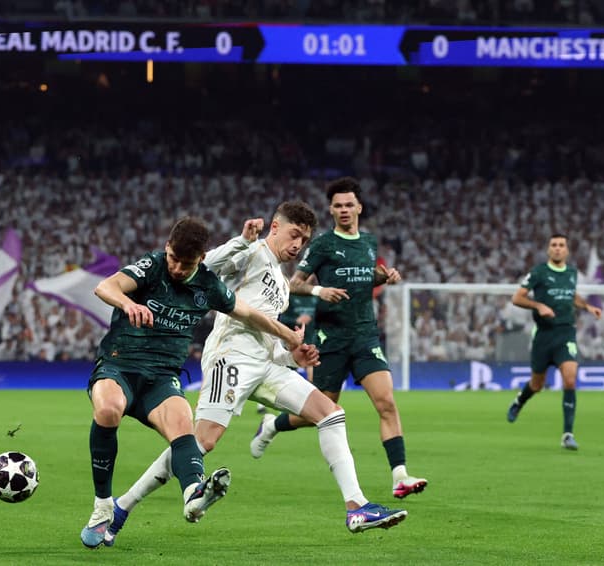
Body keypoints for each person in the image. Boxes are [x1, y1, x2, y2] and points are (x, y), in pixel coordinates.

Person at [104, 201, 407, 545]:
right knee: (201, 441)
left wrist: (293, 355)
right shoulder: (251, 252)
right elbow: (205, 265)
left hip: (266, 365)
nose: (298, 244)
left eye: (304, 240)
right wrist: (242, 240)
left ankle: (357, 507)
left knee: (331, 413)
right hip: (230, 358)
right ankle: (123, 506)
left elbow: (268, 337)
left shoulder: (282, 283)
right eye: (294, 234)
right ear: (275, 227)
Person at [80, 216, 306, 548]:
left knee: (184, 427)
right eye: (173, 258)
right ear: (167, 248)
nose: (176, 268)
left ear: (200, 259)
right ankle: (103, 506)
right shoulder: (153, 266)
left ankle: (193, 494)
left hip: (161, 378)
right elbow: (106, 286)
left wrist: (288, 335)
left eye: (186, 264)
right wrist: (128, 304)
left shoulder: (208, 285)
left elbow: (248, 313)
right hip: (119, 365)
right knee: (109, 408)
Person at [251, 177, 427, 499]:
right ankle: (272, 426)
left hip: (365, 335)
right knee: (320, 411)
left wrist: (382, 276)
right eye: (338, 205)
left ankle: (399, 476)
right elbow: (293, 283)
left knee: (386, 402)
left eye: (349, 205)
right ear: (331, 210)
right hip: (330, 338)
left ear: (359, 207)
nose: (344, 210)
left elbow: (361, 278)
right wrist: (320, 290)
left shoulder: (369, 242)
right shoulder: (322, 245)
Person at [506, 234, 603, 450]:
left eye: (561, 245)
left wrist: (587, 306)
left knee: (570, 379)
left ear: (567, 250)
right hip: (544, 335)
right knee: (537, 385)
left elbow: (571, 296)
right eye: (554, 245)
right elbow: (517, 298)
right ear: (548, 250)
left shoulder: (571, 273)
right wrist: (538, 306)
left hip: (565, 333)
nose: (558, 248)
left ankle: (568, 434)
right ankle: (520, 400)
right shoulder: (539, 272)